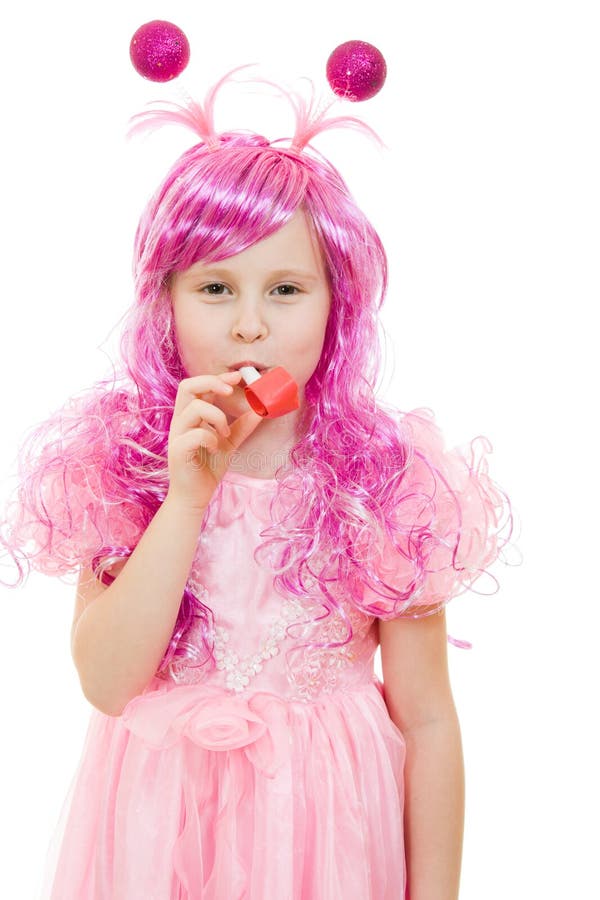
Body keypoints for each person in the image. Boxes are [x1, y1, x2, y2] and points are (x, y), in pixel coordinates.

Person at [0, 68, 514, 899]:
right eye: (214, 288)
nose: (248, 324)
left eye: (284, 290)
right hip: (156, 830)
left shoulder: (381, 478)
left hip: (326, 831)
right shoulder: (121, 458)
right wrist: (187, 497)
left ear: (335, 303)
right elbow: (105, 681)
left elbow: (426, 720)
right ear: (164, 302)